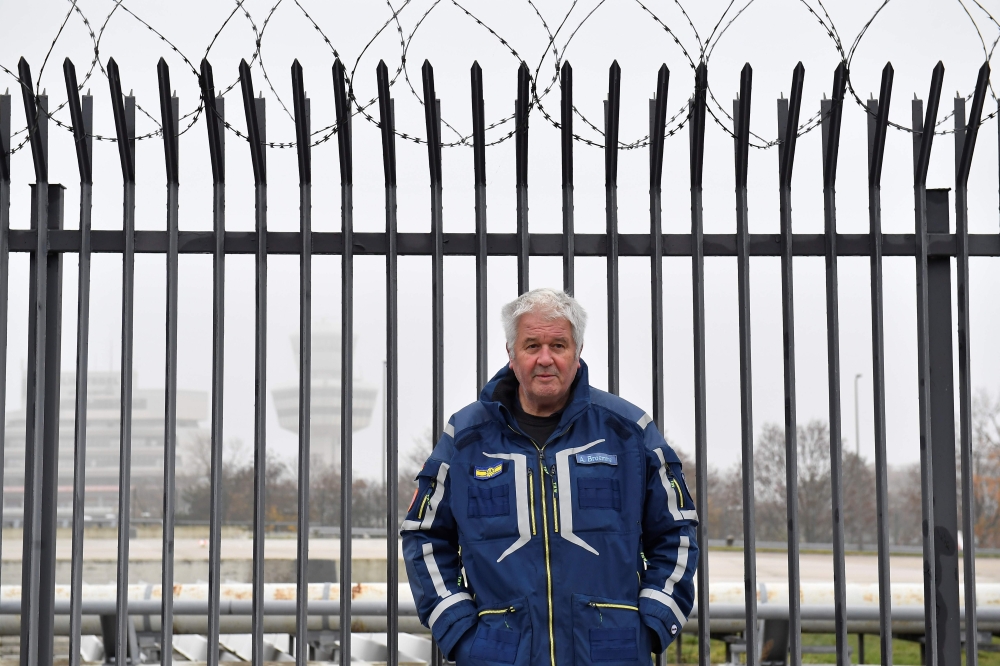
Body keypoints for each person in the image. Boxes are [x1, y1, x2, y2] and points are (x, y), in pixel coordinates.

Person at [401, 288, 698, 666]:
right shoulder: (465, 438)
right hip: (498, 656)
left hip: (612, 654)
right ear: (511, 354)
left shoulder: (629, 431)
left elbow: (678, 532)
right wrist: (458, 631)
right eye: (531, 346)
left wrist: (654, 622)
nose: (545, 359)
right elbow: (423, 535)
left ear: (578, 352)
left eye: (558, 345)